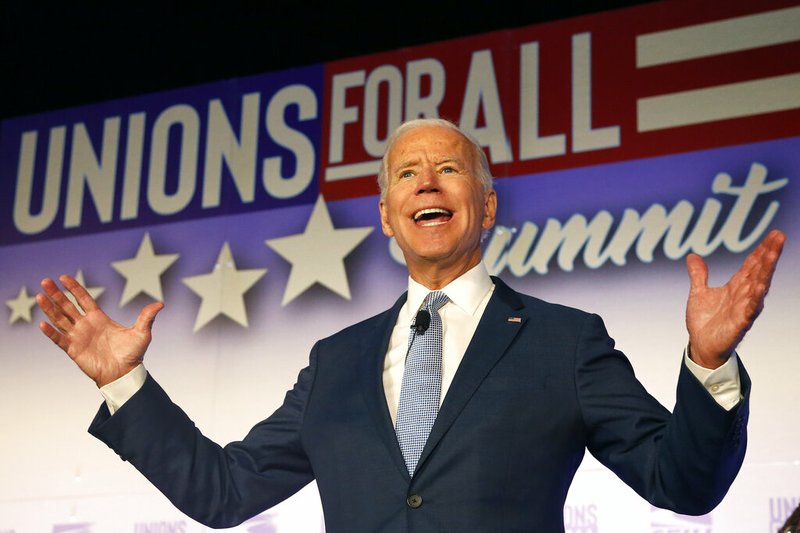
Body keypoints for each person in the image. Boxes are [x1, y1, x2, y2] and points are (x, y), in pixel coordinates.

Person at [36, 118, 785, 532]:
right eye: (405, 173)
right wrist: (124, 380)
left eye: (449, 168)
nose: (426, 180)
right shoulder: (337, 361)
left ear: (486, 206)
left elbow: (682, 484)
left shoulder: (564, 341)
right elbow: (224, 491)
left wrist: (707, 361)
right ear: (390, 216)